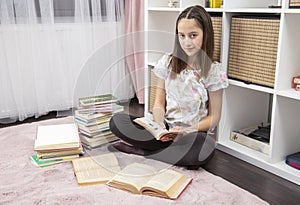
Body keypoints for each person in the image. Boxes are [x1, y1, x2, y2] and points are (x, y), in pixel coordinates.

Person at [108, 5, 228, 169]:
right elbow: (158, 104)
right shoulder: (167, 63)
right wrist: (160, 128)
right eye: (182, 35)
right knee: (117, 121)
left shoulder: (214, 72)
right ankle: (168, 152)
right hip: (165, 131)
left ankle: (144, 152)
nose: (187, 42)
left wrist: (186, 131)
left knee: (204, 148)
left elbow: (214, 117)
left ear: (206, 35)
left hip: (191, 135)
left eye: (193, 35)